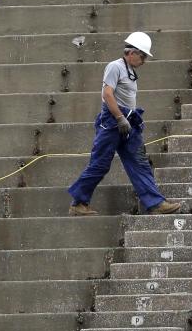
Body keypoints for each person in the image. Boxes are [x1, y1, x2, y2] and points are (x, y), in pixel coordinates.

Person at [67, 32, 180, 215]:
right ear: (131, 53)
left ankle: (155, 203)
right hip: (112, 121)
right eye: (142, 56)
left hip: (129, 121)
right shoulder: (115, 67)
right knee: (100, 164)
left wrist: (126, 119)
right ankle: (78, 203)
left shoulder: (130, 72)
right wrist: (120, 118)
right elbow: (107, 94)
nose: (144, 60)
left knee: (139, 161)